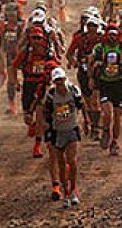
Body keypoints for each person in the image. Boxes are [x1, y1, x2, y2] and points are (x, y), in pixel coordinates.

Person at [13, 26, 59, 158]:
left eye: (39, 38)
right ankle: (32, 124)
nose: (36, 40)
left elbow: (56, 66)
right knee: (27, 116)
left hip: (43, 84)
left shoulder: (48, 52)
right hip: (29, 84)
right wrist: (16, 81)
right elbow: (14, 66)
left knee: (40, 114)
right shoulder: (25, 52)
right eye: (34, 38)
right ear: (30, 39)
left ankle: (37, 145)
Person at [90, 23, 122, 155]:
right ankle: (106, 131)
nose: (112, 38)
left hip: (118, 84)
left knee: (117, 117)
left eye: (114, 35)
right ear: (106, 35)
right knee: (107, 113)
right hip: (105, 84)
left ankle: (114, 142)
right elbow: (91, 62)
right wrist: (92, 78)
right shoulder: (99, 48)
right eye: (110, 35)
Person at [44, 67, 84, 206]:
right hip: (57, 132)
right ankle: (66, 192)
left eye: (61, 80)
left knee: (71, 161)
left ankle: (73, 190)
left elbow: (81, 105)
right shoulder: (51, 94)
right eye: (57, 81)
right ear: (54, 82)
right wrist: (48, 137)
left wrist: (85, 122)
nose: (59, 84)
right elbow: (46, 115)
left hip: (72, 129)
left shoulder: (74, 91)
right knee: (61, 164)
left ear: (65, 79)